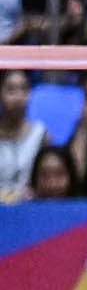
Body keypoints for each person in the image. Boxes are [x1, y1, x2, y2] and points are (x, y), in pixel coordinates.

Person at [0, 68, 48, 200]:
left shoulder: (40, 134)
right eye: (11, 90)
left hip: (29, 206)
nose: (19, 97)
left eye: (24, 89)